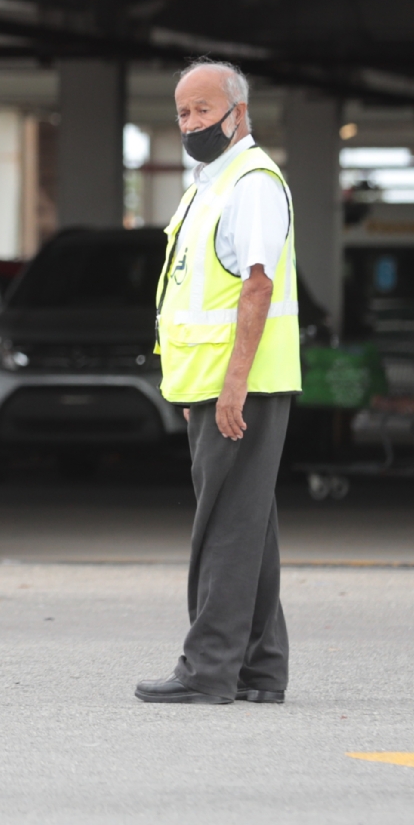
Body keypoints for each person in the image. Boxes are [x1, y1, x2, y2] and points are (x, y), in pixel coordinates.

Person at [135, 59, 300, 706]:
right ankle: (261, 670)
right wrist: (195, 388)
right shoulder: (210, 184)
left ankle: (208, 671)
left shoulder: (251, 184)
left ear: (239, 114)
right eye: (183, 113)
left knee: (225, 529)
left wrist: (233, 385)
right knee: (248, 526)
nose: (192, 123)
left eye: (204, 110)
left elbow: (256, 285)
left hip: (243, 386)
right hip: (211, 384)